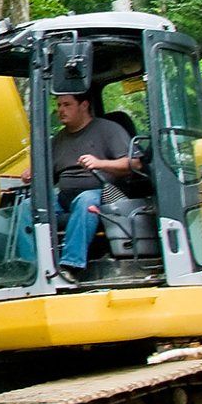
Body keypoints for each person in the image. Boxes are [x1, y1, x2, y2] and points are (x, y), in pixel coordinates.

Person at [48, 92, 135, 283]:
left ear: (84, 105)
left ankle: (70, 266)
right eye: (59, 105)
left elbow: (134, 164)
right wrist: (32, 174)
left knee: (86, 200)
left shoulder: (109, 130)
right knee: (28, 207)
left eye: (67, 104)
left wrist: (100, 163)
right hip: (64, 200)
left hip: (103, 196)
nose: (61, 110)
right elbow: (48, 176)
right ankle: (33, 264)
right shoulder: (58, 140)